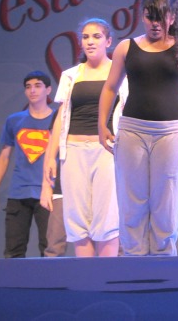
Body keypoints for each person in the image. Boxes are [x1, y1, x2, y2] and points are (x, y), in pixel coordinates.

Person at [98, 0, 178, 256]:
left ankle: (164, 264)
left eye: (161, 17)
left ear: (172, 17)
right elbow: (110, 88)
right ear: (142, 17)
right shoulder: (126, 48)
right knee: (131, 202)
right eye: (150, 17)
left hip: (171, 134)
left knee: (167, 204)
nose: (155, 23)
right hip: (132, 132)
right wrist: (101, 125)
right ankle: (133, 263)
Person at [41, 18, 128, 257]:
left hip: (107, 151)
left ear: (108, 41)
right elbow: (61, 117)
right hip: (73, 150)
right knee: (77, 219)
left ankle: (106, 275)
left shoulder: (121, 74)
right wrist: (50, 157)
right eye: (85, 37)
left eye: (96, 36)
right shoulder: (71, 75)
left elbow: (128, 112)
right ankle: (86, 277)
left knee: (107, 216)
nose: (90, 41)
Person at [0, 71, 54, 257]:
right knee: (13, 250)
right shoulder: (14, 120)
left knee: (50, 250)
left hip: (48, 192)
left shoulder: (58, 120)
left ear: (48, 90)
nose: (32, 90)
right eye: (28, 87)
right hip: (18, 192)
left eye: (38, 86)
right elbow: (4, 156)